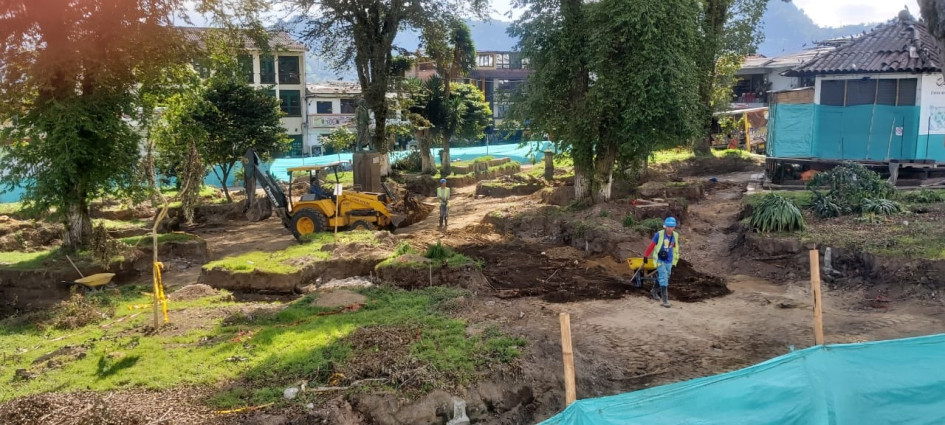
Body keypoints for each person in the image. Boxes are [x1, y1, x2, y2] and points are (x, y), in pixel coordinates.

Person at [643, 217, 680, 308]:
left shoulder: (675, 235)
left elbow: (674, 247)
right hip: (659, 260)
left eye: (671, 227)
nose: (669, 228)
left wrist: (675, 258)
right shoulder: (658, 235)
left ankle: (654, 290)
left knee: (666, 275)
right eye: (668, 227)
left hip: (669, 260)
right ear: (665, 226)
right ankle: (665, 301)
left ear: (674, 227)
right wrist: (646, 256)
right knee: (664, 278)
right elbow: (651, 246)